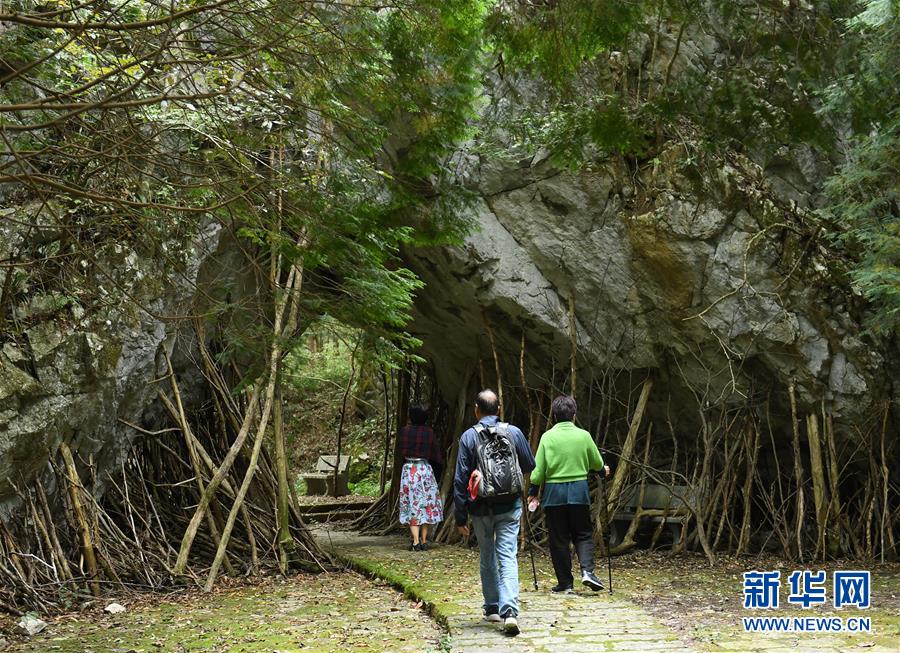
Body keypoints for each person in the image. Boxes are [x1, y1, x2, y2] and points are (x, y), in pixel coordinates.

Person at [454, 389, 535, 636]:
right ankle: (510, 612)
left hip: (480, 509)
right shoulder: (514, 432)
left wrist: (460, 516)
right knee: (507, 556)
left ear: (476, 410)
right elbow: (529, 464)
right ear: (498, 410)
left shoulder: (469, 437)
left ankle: (491, 608)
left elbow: (459, 480)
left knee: (487, 554)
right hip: (510, 506)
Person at [527, 395, 610, 593]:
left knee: (559, 539)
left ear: (554, 416)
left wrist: (532, 492)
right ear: (574, 415)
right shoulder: (584, 435)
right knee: (583, 534)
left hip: (554, 494)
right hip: (579, 492)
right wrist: (602, 471)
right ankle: (587, 572)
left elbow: (538, 470)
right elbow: (597, 463)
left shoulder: (547, 437)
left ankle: (565, 583)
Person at [398, 404, 444, 551]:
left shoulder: (404, 431)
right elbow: (436, 455)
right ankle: (424, 540)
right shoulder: (429, 433)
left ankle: (416, 541)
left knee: (412, 504)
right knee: (427, 504)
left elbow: (399, 451)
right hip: (425, 469)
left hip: (409, 470)